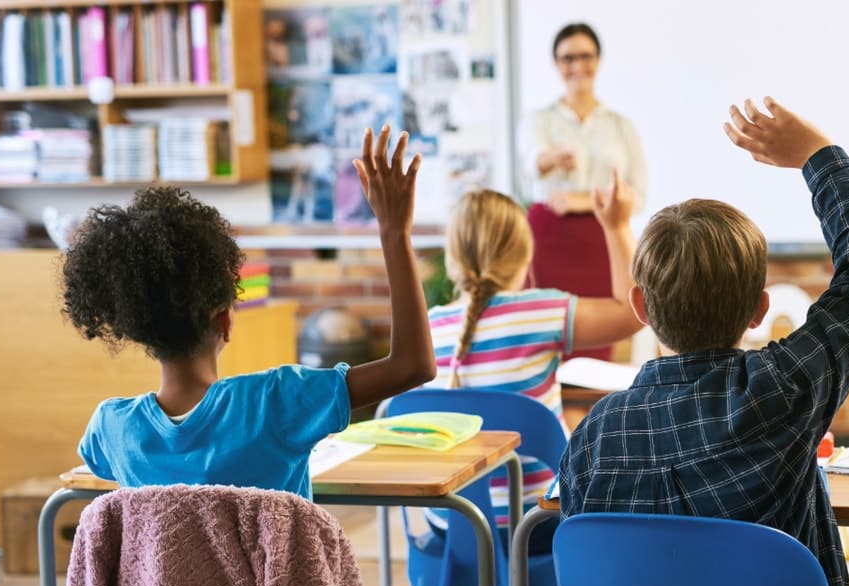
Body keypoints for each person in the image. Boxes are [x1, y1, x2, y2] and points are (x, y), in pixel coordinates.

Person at [559, 95, 849, 586]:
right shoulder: (781, 393)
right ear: (759, 311)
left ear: (640, 309)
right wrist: (818, 153)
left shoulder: (594, 437)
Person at [64, 127, 436, 500]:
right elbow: (413, 366)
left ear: (138, 330)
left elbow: (102, 463)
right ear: (223, 321)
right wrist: (393, 231)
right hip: (277, 563)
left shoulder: (112, 428)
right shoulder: (276, 403)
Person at [422, 173, 643, 550]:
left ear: (453, 256)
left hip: (450, 525)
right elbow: (634, 311)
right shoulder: (540, 312)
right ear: (525, 255)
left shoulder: (429, 329)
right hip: (534, 524)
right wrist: (617, 225)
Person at [519, 22, 647, 361]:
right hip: (547, 238)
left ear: (599, 60)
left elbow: (638, 192)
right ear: (556, 64)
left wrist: (582, 200)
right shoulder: (538, 120)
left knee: (601, 336)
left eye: (586, 56)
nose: (578, 66)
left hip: (601, 238)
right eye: (568, 58)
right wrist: (549, 159)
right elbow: (529, 167)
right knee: (543, 333)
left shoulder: (621, 126)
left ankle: (593, 413)